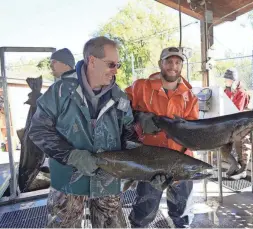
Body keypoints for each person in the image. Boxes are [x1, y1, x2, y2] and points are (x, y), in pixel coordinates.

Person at [29, 36, 137, 228]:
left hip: (108, 179)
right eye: (111, 64)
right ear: (92, 61)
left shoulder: (120, 98)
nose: (116, 70)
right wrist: (72, 156)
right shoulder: (60, 91)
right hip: (67, 181)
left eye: (117, 65)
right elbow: (38, 130)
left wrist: (146, 169)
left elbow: (129, 137)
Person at [125, 47, 199, 228]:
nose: (173, 66)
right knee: (144, 211)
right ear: (160, 64)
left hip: (181, 161)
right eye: (168, 61)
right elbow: (120, 110)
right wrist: (138, 117)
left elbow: (193, 129)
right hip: (150, 161)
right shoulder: (140, 87)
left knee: (182, 213)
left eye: (177, 62)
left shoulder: (190, 96)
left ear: (181, 65)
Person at [222, 68, 251, 180]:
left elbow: (237, 110)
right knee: (222, 147)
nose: (225, 81)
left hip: (241, 124)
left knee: (242, 144)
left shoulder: (241, 92)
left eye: (227, 80)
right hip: (230, 124)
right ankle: (234, 165)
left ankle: (243, 170)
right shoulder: (226, 91)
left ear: (233, 80)